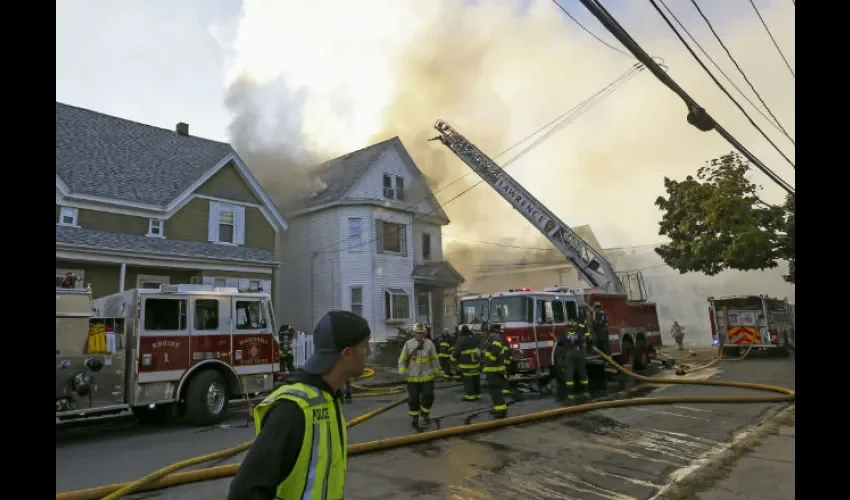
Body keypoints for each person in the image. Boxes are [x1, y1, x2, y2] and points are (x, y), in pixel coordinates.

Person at [227, 311, 371, 500]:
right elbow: (244, 493)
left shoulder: (328, 397)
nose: (369, 351)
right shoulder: (292, 409)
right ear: (347, 353)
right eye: (365, 345)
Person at [398, 322, 442, 428]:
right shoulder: (408, 344)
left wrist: (437, 371)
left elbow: (434, 358)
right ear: (414, 333)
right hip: (412, 377)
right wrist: (402, 370)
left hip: (427, 376)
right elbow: (402, 359)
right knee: (413, 398)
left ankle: (425, 413)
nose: (420, 335)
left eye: (422, 333)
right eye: (418, 333)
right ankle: (415, 417)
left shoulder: (429, 344)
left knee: (429, 395)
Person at [558, 319, 589, 401]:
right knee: (582, 372)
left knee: (569, 374)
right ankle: (585, 392)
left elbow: (559, 344)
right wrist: (584, 355)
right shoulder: (579, 335)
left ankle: (570, 395)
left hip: (569, 356)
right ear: (575, 327)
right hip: (579, 355)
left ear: (568, 327)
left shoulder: (564, 335)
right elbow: (584, 345)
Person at [482, 323, 509, 418]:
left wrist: (486, 360)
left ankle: (501, 411)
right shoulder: (493, 338)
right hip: (492, 371)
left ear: (488, 331)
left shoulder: (495, 338)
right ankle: (497, 408)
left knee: (496, 391)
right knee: (494, 392)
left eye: (485, 332)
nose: (484, 334)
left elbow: (494, 353)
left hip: (495, 371)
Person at [451, 325, 482, 401]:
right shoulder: (474, 337)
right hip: (476, 363)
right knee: (476, 379)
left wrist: (452, 359)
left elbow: (456, 350)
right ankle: (478, 395)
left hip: (466, 364)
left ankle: (470, 396)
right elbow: (480, 347)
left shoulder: (461, 339)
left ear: (462, 331)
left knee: (468, 381)